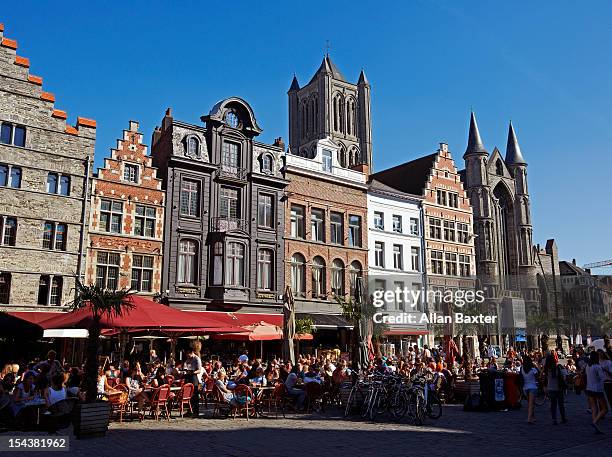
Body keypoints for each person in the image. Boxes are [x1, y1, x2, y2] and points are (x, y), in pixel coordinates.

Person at [586, 351, 608, 434]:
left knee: (594, 408)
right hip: (597, 389)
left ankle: (595, 426)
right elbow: (602, 378)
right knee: (605, 409)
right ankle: (595, 422)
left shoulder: (588, 366)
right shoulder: (597, 367)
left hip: (589, 388)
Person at [543, 353, 567, 425]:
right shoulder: (558, 368)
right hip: (558, 388)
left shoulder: (546, 369)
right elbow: (563, 376)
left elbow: (544, 379)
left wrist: (545, 387)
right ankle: (563, 418)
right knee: (561, 404)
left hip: (550, 388)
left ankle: (554, 419)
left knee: (553, 405)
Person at [184, 348, 202, 416]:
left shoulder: (197, 359)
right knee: (188, 395)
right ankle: (189, 410)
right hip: (188, 377)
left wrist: (192, 372)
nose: (187, 355)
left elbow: (199, 370)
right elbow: (186, 367)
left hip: (194, 377)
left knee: (194, 395)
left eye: (188, 354)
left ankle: (195, 411)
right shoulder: (188, 359)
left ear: (192, 352)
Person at [521, 355, 538, 424]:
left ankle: (532, 417)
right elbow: (537, 377)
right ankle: (529, 418)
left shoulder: (522, 369)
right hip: (532, 387)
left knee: (529, 403)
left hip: (525, 388)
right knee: (531, 404)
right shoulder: (533, 369)